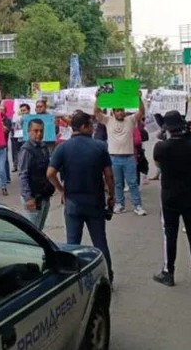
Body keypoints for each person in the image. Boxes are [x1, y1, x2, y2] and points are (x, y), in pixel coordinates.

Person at [47, 111, 115, 282]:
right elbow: (109, 175)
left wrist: (62, 190)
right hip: (95, 202)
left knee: (72, 243)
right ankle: (107, 276)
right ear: (84, 127)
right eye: (91, 125)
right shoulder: (100, 146)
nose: (93, 128)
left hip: (73, 202)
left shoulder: (62, 147)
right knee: (100, 242)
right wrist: (111, 196)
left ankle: (73, 280)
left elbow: (50, 173)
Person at [152, 111, 191, 287]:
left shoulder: (160, 147)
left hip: (169, 195)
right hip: (190, 194)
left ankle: (169, 272)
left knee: (170, 233)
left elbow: (158, 165)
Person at [94, 91, 147, 216]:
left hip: (129, 158)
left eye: (121, 110)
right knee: (117, 184)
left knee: (133, 183)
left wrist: (139, 98)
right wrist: (98, 98)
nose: (120, 112)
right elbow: (97, 112)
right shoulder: (108, 121)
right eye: (117, 110)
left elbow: (141, 112)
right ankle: (120, 204)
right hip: (113, 158)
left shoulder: (131, 120)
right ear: (113, 112)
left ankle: (137, 205)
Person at [19, 118, 55, 229]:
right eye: (35, 131)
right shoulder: (26, 150)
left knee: (40, 229)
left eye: (41, 131)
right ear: (29, 131)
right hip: (33, 197)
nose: (39, 134)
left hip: (43, 195)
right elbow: (23, 175)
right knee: (34, 232)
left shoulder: (43, 147)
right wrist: (28, 198)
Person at [12, 103, 31, 171]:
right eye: (22, 110)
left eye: (24, 110)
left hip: (30, 141)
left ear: (28, 111)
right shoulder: (18, 120)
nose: (23, 112)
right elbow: (15, 130)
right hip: (21, 141)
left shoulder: (32, 119)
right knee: (22, 158)